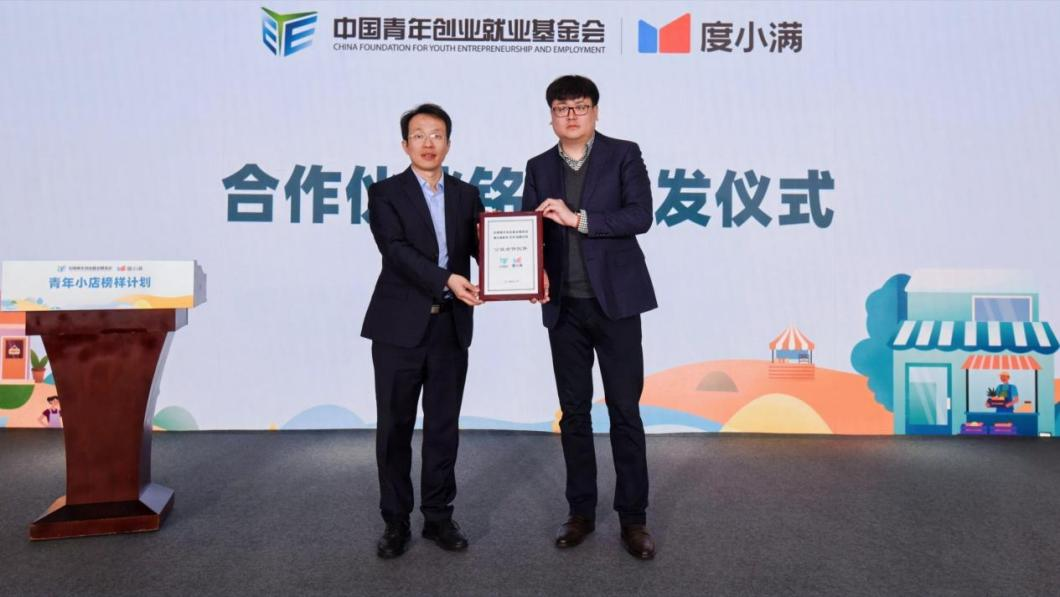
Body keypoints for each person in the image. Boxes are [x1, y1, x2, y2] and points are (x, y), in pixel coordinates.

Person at [521, 75, 659, 559]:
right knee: (574, 413)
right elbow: (528, 228)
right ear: (551, 117)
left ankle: (633, 519)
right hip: (564, 308)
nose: (572, 115)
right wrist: (532, 273)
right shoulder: (538, 166)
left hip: (616, 305)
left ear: (596, 111)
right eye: (562, 108)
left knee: (625, 411)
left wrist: (578, 219)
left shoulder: (624, 154)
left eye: (580, 106)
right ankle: (580, 512)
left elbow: (640, 216)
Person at [361, 103, 484, 559]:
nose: (428, 143)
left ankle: (438, 517)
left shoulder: (467, 194)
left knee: (443, 428)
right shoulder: (385, 193)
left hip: (450, 326)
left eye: (437, 135)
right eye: (419, 135)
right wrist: (446, 279)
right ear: (405, 145)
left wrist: (523, 276)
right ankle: (395, 521)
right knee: (394, 428)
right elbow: (395, 251)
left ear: (449, 143)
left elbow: (484, 248)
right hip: (398, 329)